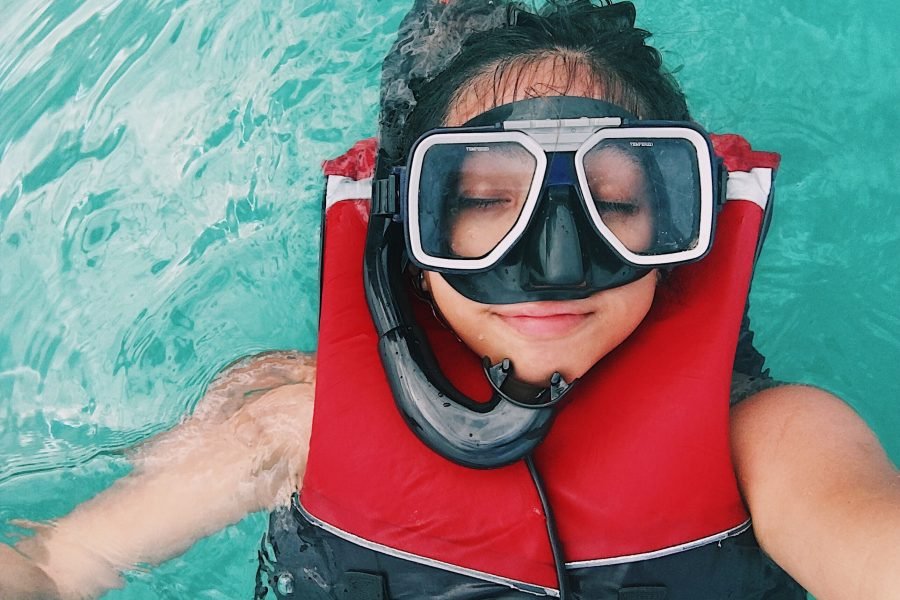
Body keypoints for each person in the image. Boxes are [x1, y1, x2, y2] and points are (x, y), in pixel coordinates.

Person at [1, 1, 898, 599]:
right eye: (479, 205)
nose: (554, 261)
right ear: (408, 229)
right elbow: (55, 562)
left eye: (615, 203)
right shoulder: (296, 423)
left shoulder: (777, 442)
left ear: (679, 224)